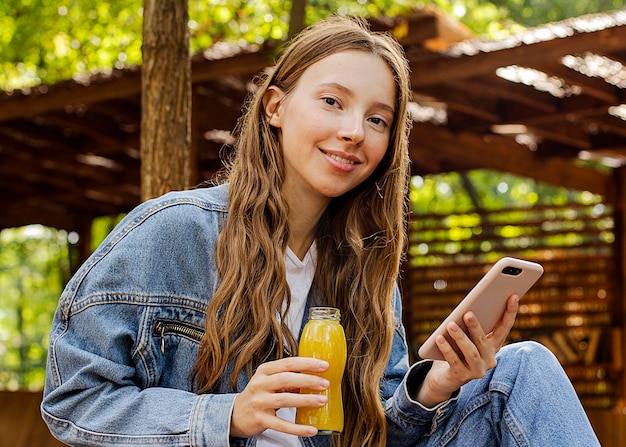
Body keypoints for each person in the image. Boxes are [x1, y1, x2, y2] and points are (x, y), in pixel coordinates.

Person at [41, 15, 600, 447]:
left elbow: (380, 427)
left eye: (378, 119)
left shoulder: (364, 267)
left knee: (523, 369)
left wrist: (436, 384)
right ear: (275, 107)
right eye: (332, 102)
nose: (354, 131)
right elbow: (73, 401)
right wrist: (225, 415)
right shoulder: (171, 233)